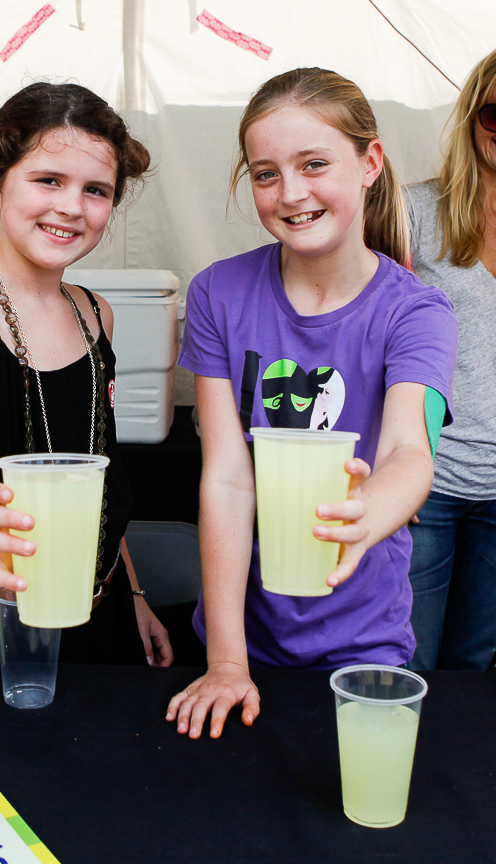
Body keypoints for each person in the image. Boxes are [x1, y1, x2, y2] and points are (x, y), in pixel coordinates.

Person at [166, 67, 457, 740]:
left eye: (314, 164)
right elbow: (227, 477)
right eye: (266, 174)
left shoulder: (417, 312)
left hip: (364, 641)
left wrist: (367, 514)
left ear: (369, 163)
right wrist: (227, 661)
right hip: (241, 634)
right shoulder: (217, 294)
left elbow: (409, 452)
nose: (291, 193)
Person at [0, 82, 173, 666]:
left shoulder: (96, 313)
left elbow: (98, 468)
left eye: (95, 190)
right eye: (48, 180)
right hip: (2, 621)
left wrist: (134, 593)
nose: (71, 206)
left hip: (104, 611)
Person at [406, 49, 496, 671]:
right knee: (404, 659)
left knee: (476, 667)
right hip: (427, 484)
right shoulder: (413, 211)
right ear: (472, 117)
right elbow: (366, 338)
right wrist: (396, 464)